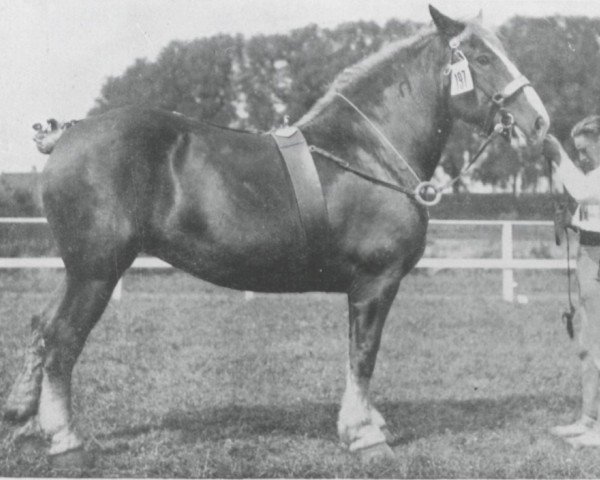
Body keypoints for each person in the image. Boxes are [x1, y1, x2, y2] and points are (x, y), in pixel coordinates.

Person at [544, 115, 600, 448]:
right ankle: (588, 420)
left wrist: (557, 155)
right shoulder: (594, 175)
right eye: (575, 152)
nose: (580, 157)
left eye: (585, 150)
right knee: (588, 345)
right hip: (589, 262)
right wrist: (571, 221)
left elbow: (581, 190)